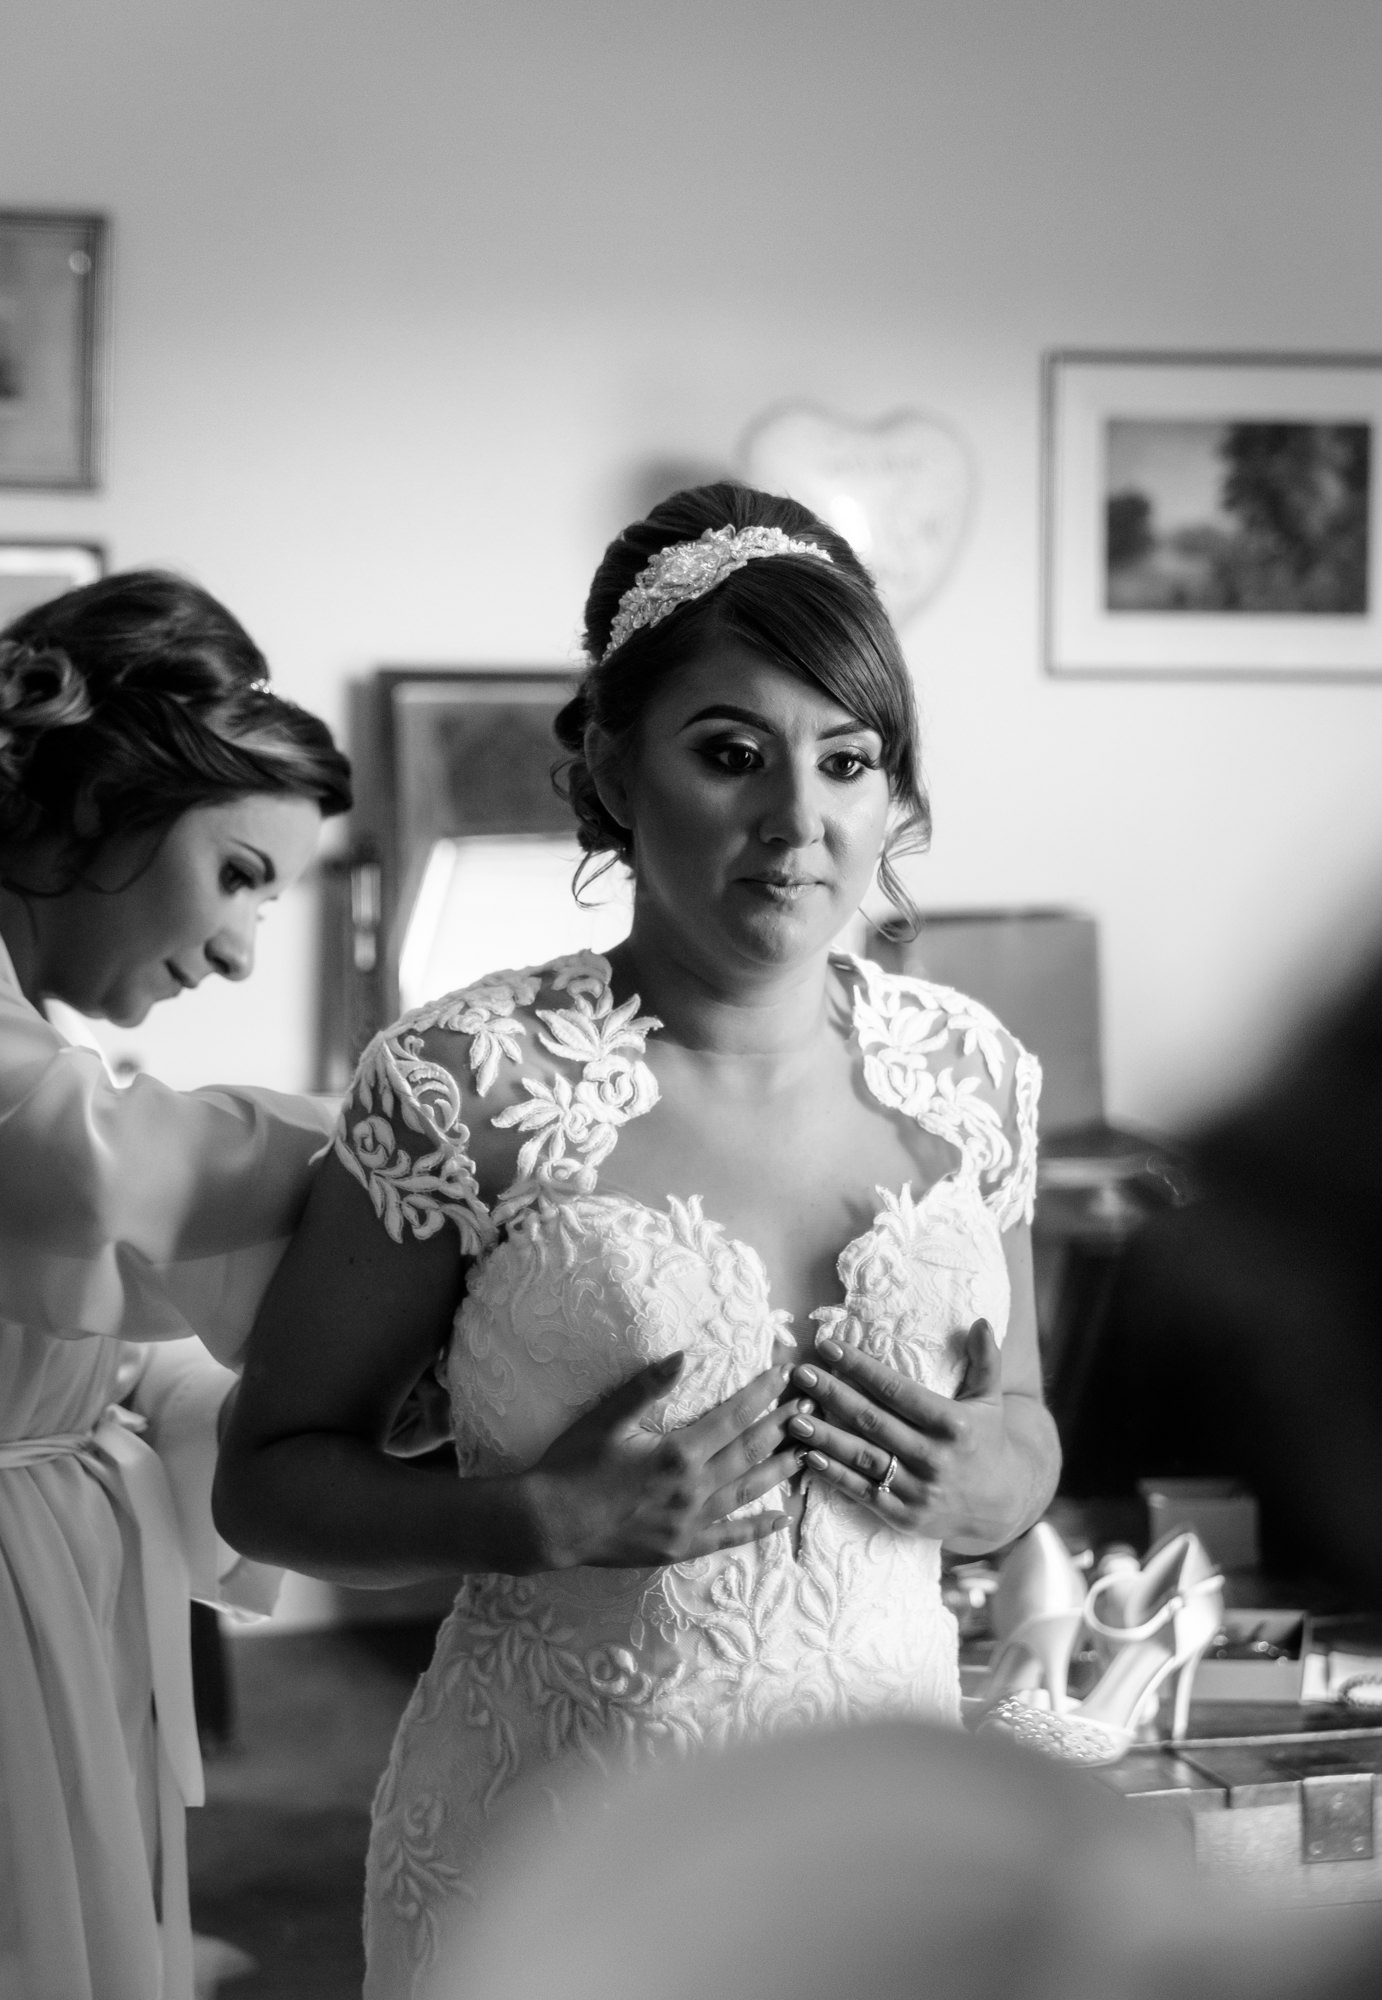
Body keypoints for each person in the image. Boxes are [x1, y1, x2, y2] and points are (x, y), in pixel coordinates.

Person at [214, 482, 1060, 1997]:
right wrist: (523, 1521)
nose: (797, 823)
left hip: (891, 1852)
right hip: (560, 1852)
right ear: (610, 769)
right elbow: (266, 1476)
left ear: (895, 799)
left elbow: (1025, 1425)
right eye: (729, 755)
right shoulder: (461, 1082)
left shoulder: (974, 1073)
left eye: (848, 763)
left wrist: (999, 1478)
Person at [0, 570, 352, 2000]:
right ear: (98, 811)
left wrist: (241, 1402)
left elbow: (62, 1324)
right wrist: (449, 1120)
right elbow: (104, 1179)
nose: (237, 948)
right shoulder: (45, 1099)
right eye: (239, 877)